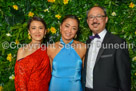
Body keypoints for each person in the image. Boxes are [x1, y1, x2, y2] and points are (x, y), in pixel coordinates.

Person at [82, 6, 131, 91]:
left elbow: (124, 77)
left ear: (106, 19)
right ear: (87, 21)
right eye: (91, 17)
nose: (94, 20)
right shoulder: (87, 42)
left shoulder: (118, 42)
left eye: (99, 16)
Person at [47, 15, 86, 91]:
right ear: (60, 27)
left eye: (74, 28)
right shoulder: (50, 48)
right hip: (55, 87)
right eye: (67, 26)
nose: (69, 31)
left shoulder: (83, 47)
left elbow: (86, 73)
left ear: (76, 32)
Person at [14, 16, 51, 91]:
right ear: (29, 32)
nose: (37, 31)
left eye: (40, 28)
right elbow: (20, 80)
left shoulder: (49, 50)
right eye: (34, 28)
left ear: (45, 31)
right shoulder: (22, 50)